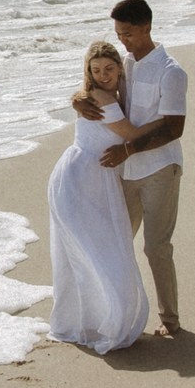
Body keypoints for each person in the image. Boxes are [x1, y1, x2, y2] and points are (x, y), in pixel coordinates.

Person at [74, 0, 188, 337]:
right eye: (119, 34)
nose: (123, 40)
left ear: (146, 27)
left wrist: (128, 149)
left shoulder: (172, 72)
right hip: (126, 174)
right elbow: (99, 85)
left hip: (159, 169)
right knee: (116, 243)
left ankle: (170, 320)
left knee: (156, 247)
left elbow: (174, 128)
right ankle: (117, 314)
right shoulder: (125, 65)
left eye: (128, 33)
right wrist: (78, 98)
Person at [45, 41, 153, 353]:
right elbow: (133, 135)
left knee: (90, 251)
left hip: (92, 179)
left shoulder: (104, 96)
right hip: (79, 179)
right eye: (96, 70)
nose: (103, 75)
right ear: (88, 73)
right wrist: (173, 122)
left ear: (120, 68)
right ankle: (101, 321)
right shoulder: (101, 97)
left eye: (108, 69)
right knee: (93, 251)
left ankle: (90, 320)